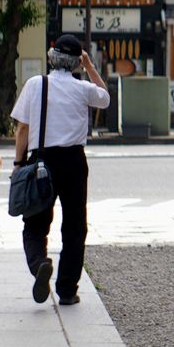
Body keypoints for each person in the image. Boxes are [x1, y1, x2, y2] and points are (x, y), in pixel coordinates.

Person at [11, 34, 109, 305]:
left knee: (35, 223)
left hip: (41, 159)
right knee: (75, 225)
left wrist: (19, 163)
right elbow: (105, 98)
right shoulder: (82, 89)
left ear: (52, 57)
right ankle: (67, 290)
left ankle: (40, 263)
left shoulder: (35, 84)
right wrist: (89, 66)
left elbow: (22, 129)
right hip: (74, 162)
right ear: (77, 61)